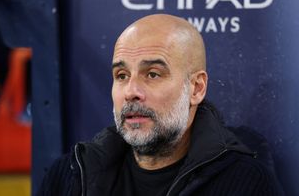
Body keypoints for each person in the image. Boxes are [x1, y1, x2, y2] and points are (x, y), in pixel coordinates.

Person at [37, 14, 283, 196]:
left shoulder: (244, 184)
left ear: (196, 88)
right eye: (121, 76)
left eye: (152, 74)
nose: (131, 92)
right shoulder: (71, 175)